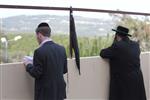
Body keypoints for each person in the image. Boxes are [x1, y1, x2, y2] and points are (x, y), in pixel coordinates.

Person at [100, 26, 147, 100]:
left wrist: (114, 43)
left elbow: (103, 53)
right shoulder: (136, 45)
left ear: (117, 35)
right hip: (137, 80)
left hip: (124, 83)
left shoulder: (117, 46)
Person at [23, 22, 68, 100]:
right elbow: (64, 70)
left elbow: (36, 73)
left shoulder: (39, 51)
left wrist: (28, 65)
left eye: (36, 36)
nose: (36, 38)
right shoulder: (62, 49)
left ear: (39, 35)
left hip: (45, 94)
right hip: (59, 91)